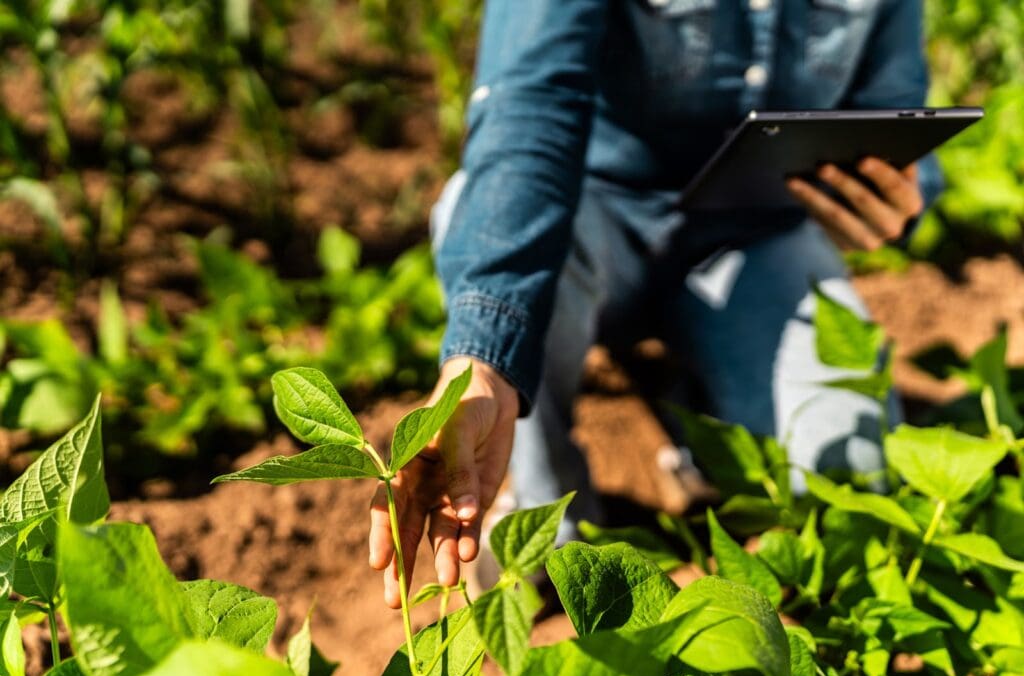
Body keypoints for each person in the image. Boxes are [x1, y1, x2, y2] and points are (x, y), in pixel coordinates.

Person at [368, 0, 942, 608]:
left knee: (851, 482)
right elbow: (527, 109)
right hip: (589, 218)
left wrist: (897, 197)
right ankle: (543, 517)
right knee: (475, 212)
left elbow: (894, 109)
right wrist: (480, 364)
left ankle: (690, 418)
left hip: (754, 236)